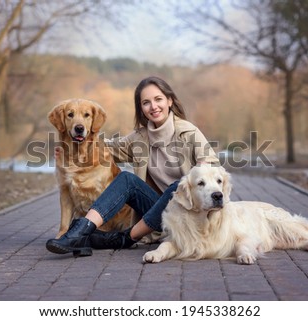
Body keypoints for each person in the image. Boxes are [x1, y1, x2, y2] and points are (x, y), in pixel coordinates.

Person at [46, 76, 219, 255]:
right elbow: (105, 148)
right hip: (158, 213)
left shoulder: (189, 132)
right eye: (146, 102)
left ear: (169, 101)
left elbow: (212, 169)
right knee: (127, 178)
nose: (153, 106)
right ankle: (81, 231)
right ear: (141, 108)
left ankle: (126, 237)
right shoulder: (139, 138)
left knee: (179, 185)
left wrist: (204, 166)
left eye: (158, 99)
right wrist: (69, 150)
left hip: (189, 211)